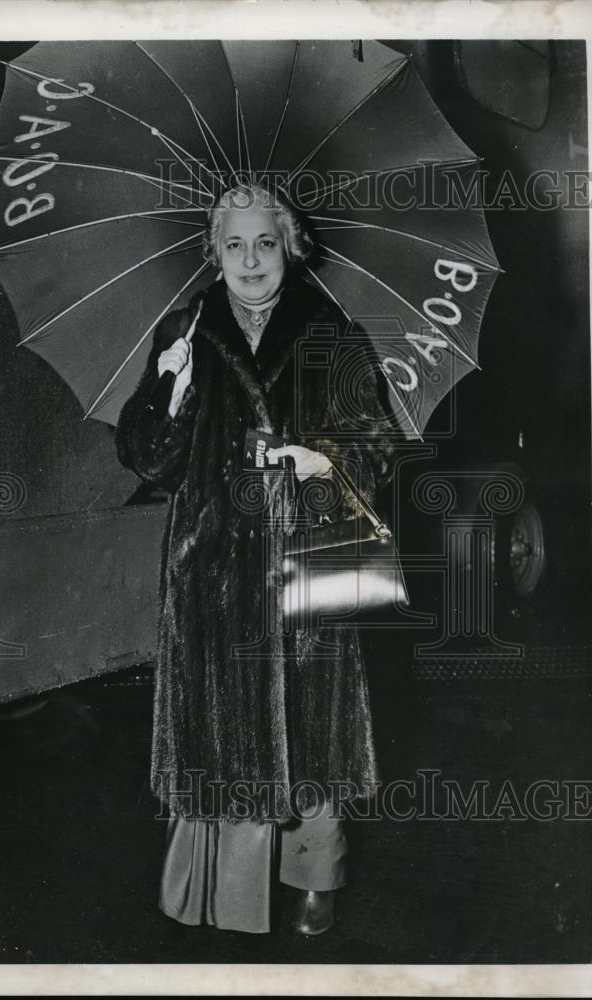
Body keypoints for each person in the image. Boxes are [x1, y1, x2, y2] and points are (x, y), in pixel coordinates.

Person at [116, 183, 395, 935]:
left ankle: (316, 872)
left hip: (305, 557)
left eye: (264, 243)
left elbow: (376, 447)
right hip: (209, 561)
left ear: (289, 247)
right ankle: (214, 889)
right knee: (218, 723)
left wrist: (323, 461)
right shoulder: (184, 329)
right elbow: (146, 460)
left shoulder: (331, 333)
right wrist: (168, 391)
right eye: (233, 244)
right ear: (214, 251)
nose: (248, 260)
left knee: (313, 725)